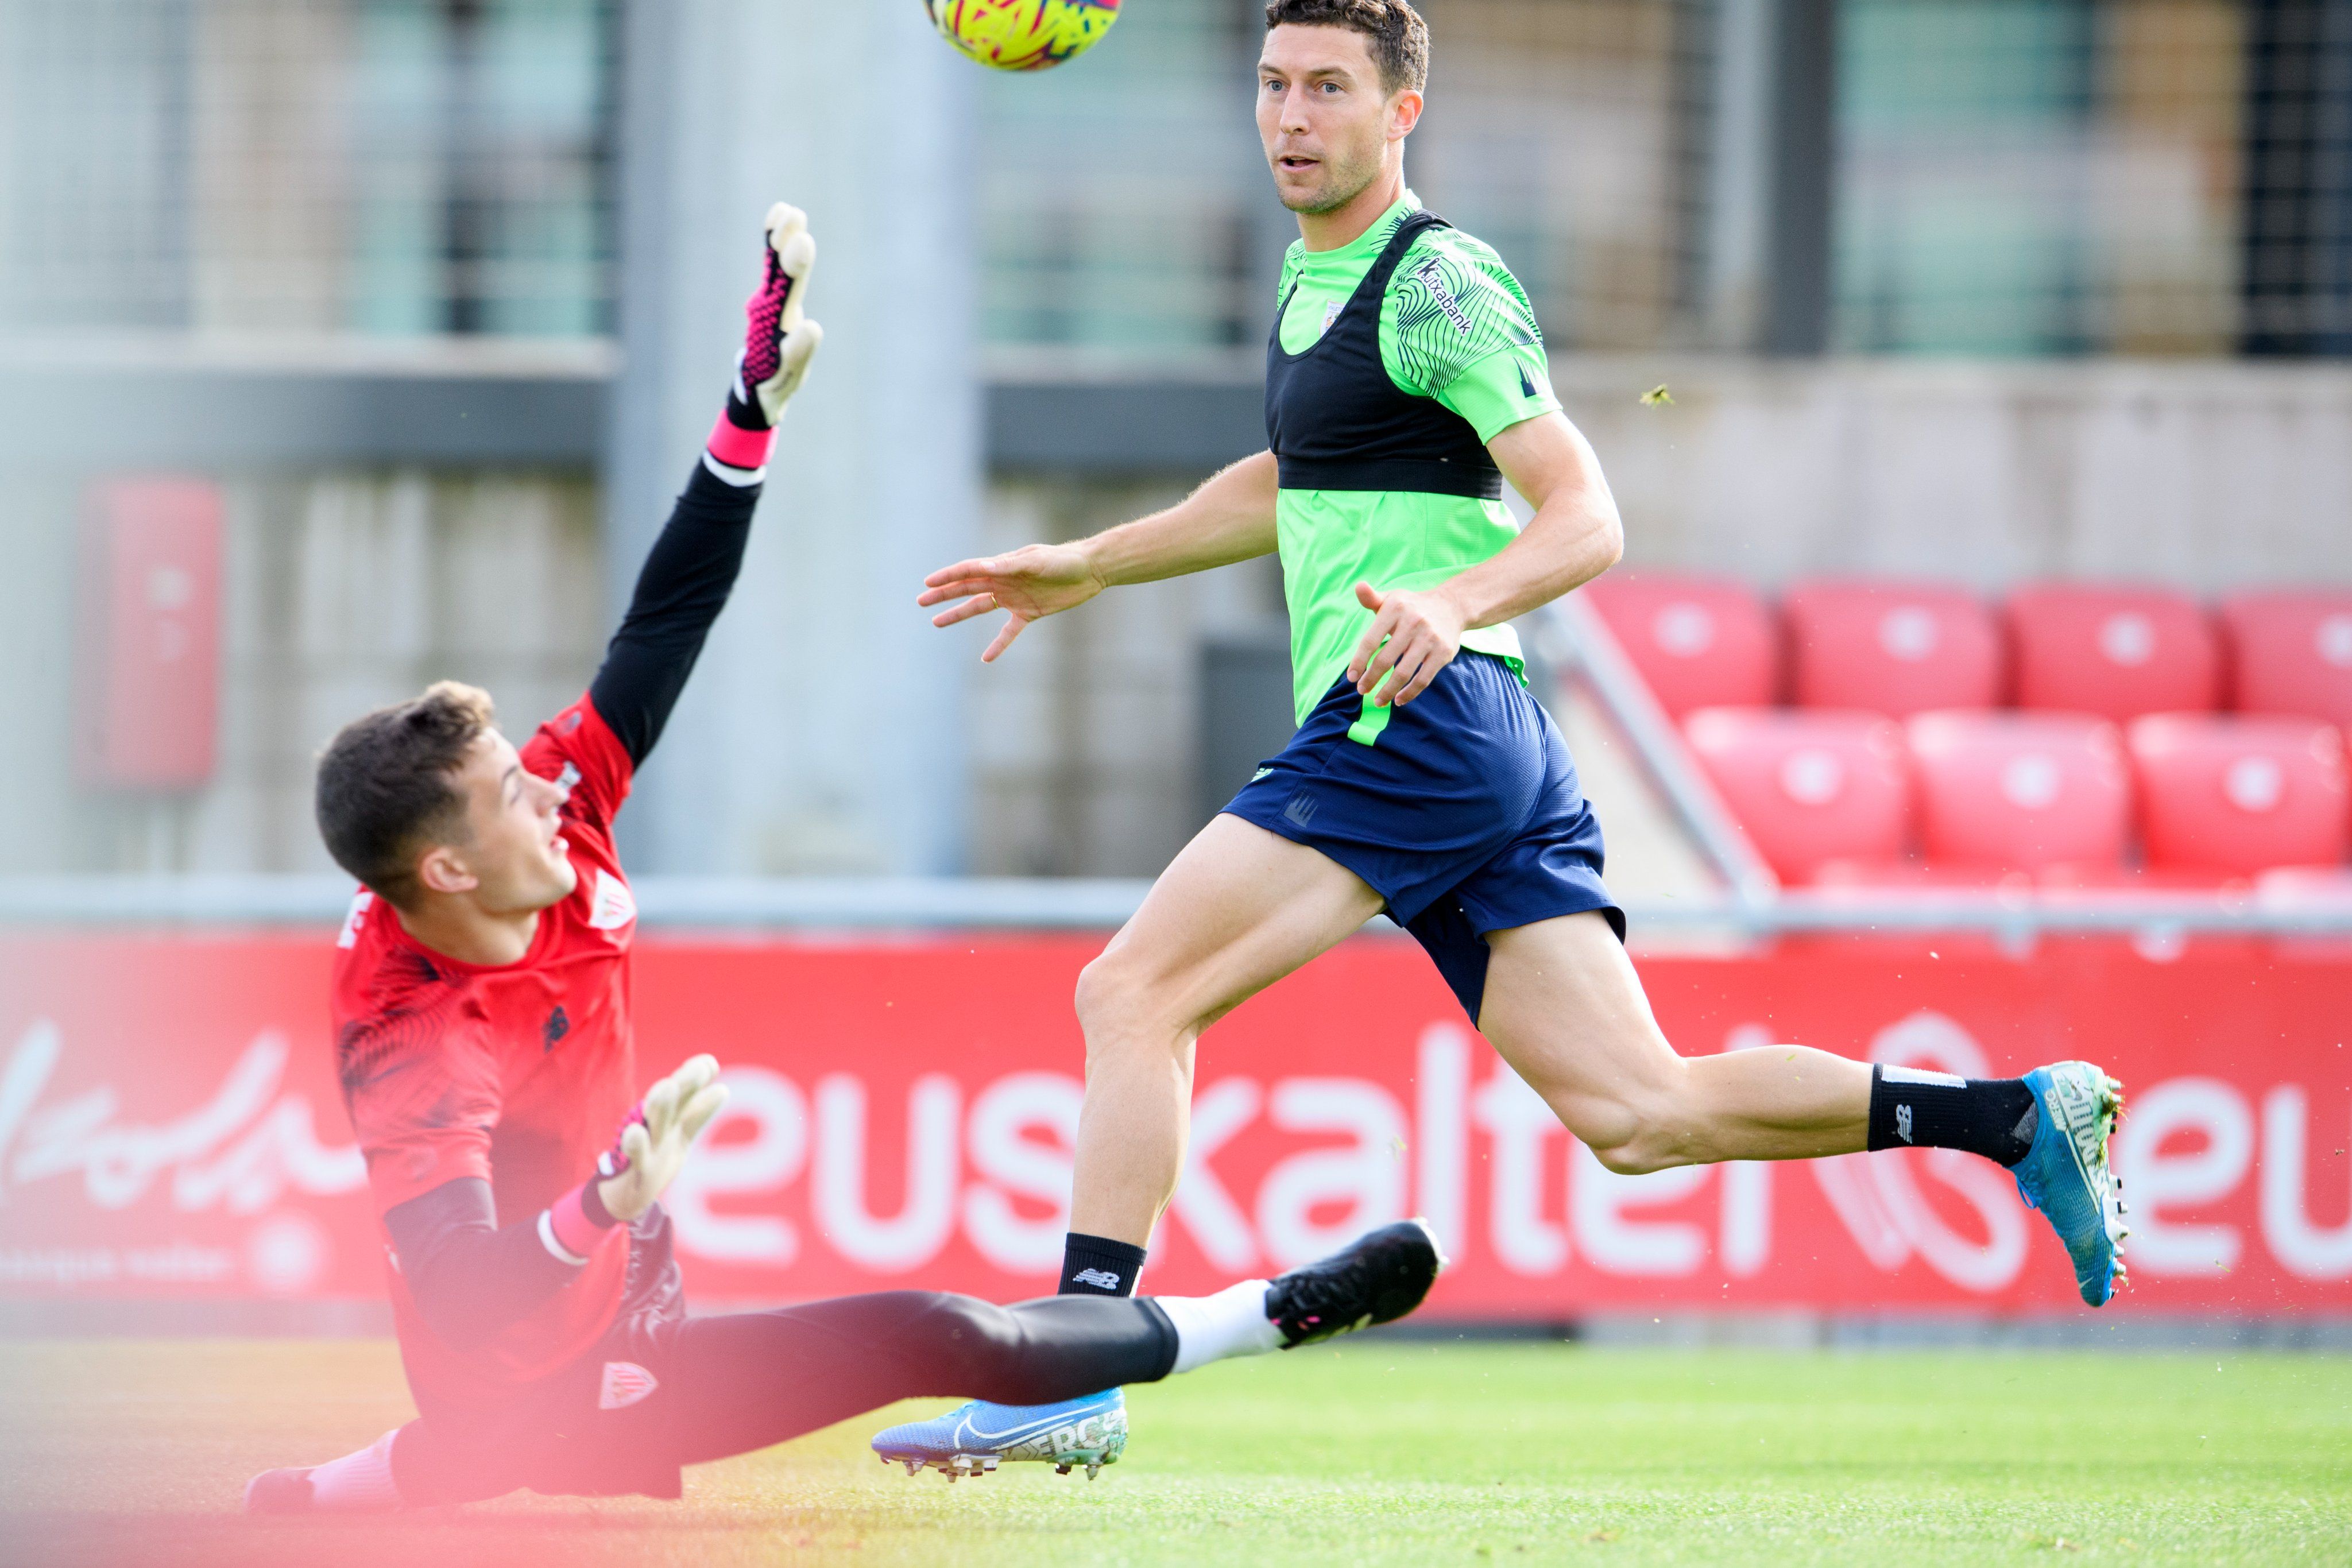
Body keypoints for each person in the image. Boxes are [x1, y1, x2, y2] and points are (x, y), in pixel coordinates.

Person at [894, 0, 2127, 1472]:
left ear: (1401, 108)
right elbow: (1290, 477)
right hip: (1474, 737)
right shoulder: (1312, 282)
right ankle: (2008, 1117)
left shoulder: (1441, 281)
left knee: (1131, 994)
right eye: (1275, 85)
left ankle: (1070, 1367)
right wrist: (1092, 559)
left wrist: (1451, 598)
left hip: (1417, 715)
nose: (1292, 118)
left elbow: (1586, 513)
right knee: (1641, 1111)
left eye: (1330, 90)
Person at [246, 202, 1446, 1513]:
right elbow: (465, 1293)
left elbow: (662, 624)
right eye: (506, 796)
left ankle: (295, 1502)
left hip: (618, 1269)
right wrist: (599, 1202)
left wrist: (745, 412)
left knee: (434, 1474)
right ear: (450, 877)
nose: (547, 788)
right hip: (535, 1374)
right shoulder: (410, 1040)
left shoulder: (557, 819)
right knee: (936, 1335)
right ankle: (1271, 1314)